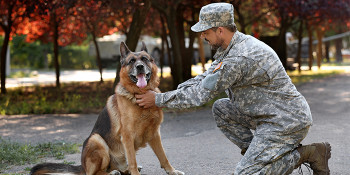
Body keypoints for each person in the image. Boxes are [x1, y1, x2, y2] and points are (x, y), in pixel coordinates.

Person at [135, 2, 331, 175]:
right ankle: (259, 156)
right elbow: (204, 79)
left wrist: (158, 99)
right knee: (222, 108)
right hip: (264, 115)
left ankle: (307, 154)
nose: (202, 36)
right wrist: (170, 93)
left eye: (206, 31)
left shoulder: (238, 58)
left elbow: (200, 95)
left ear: (220, 30)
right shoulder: (227, 49)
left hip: (285, 121)